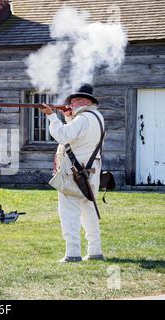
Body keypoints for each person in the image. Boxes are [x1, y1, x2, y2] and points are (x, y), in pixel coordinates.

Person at [41, 84, 105, 263]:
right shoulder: (95, 117)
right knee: (89, 211)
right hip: (90, 173)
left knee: (69, 212)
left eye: (75, 100)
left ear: (85, 101)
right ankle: (95, 250)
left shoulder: (83, 118)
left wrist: (52, 116)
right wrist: (68, 118)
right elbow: (76, 137)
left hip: (75, 174)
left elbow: (62, 136)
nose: (71, 102)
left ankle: (73, 253)